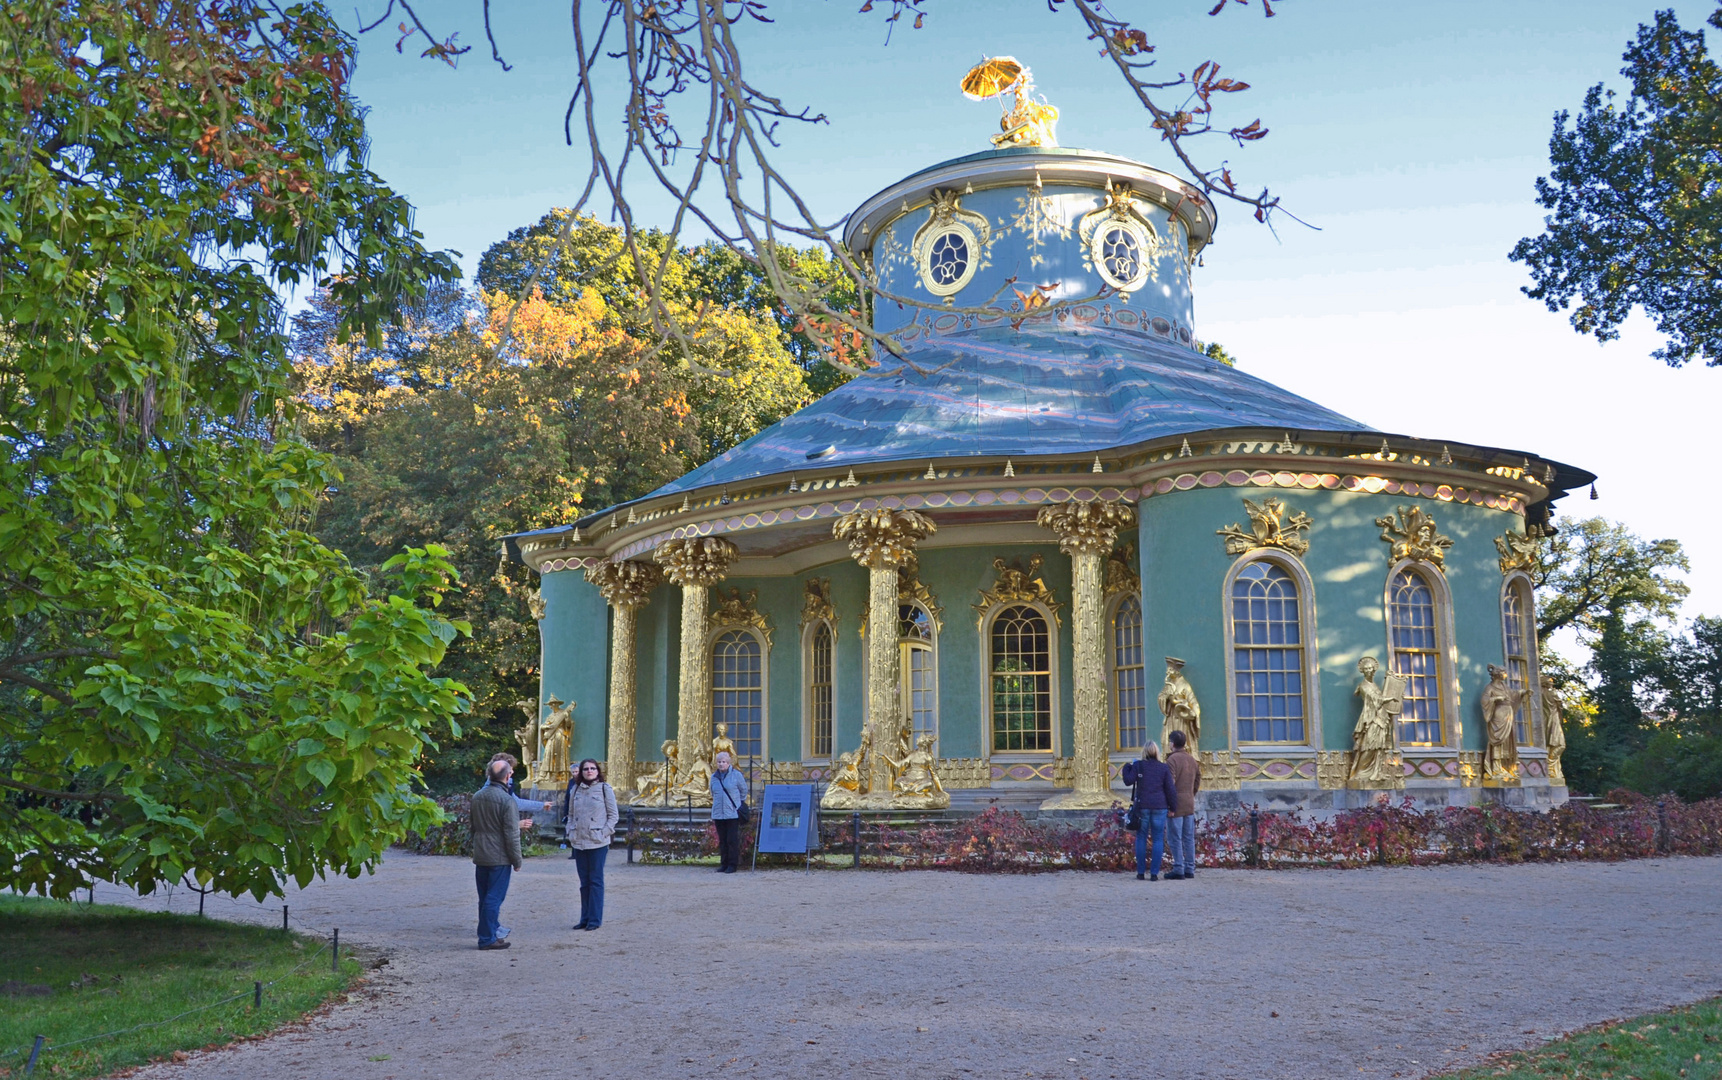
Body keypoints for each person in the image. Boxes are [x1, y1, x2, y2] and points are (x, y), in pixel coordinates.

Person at [470, 758, 522, 950]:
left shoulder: (477, 796)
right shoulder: (506, 800)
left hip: (481, 852)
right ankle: (487, 938)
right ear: (507, 776)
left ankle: (488, 934)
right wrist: (517, 859)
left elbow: (473, 827)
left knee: (484, 897)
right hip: (499, 855)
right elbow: (511, 833)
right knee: (494, 898)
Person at [564, 758, 618, 930]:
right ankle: (584, 918)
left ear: (598, 771)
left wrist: (603, 833)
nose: (589, 771)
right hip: (579, 841)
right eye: (585, 769)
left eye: (592, 768)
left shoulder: (604, 788)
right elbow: (570, 814)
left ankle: (595, 919)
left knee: (595, 881)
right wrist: (570, 831)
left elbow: (613, 816)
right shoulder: (575, 789)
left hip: (597, 842)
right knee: (584, 882)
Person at [1123, 741, 1175, 881]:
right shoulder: (1163, 768)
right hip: (1160, 806)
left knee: (1141, 837)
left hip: (1143, 806)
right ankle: (1154, 874)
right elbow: (1170, 790)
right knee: (1158, 839)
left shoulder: (1139, 766)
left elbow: (1128, 781)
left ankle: (1140, 872)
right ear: (1157, 752)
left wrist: (1127, 766)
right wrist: (1173, 807)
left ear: (1144, 752)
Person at [1165, 730, 1200, 881]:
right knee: (1188, 838)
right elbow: (1198, 780)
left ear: (1172, 743)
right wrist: (1191, 793)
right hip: (1189, 802)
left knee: (1174, 837)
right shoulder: (1192, 760)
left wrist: (1169, 805)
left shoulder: (1171, 760)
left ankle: (1178, 868)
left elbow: (1170, 784)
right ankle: (1190, 868)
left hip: (1176, 804)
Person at [709, 749, 747, 874]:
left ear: (728, 763)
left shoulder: (736, 775)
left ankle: (732, 864)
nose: (721, 764)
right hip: (718, 813)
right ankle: (723, 864)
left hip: (732, 813)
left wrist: (737, 804)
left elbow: (743, 791)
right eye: (719, 762)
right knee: (722, 840)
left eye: (723, 762)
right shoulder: (713, 778)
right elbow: (712, 792)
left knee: (732, 840)